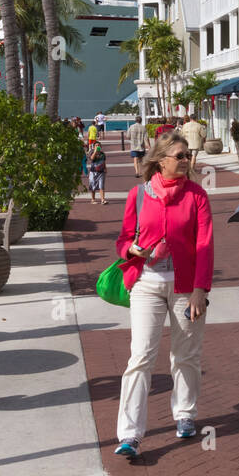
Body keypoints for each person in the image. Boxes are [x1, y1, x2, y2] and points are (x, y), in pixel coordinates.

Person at [113, 133, 214, 457]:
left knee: (186, 355)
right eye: (179, 155)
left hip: (186, 289)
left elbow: (205, 245)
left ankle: (184, 414)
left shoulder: (197, 196)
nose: (186, 160)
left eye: (186, 155)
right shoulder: (138, 196)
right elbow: (124, 239)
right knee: (141, 356)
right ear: (160, 160)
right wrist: (131, 248)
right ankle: (129, 435)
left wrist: (200, 290)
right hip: (146, 284)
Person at [86, 131, 108, 205]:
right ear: (94, 146)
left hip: (101, 172)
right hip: (93, 171)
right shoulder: (92, 152)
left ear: (100, 147)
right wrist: (95, 151)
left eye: (98, 145)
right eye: (96, 145)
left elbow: (104, 161)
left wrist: (105, 168)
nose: (97, 146)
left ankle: (102, 199)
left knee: (101, 186)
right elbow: (92, 159)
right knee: (93, 186)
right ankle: (93, 199)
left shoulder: (102, 154)